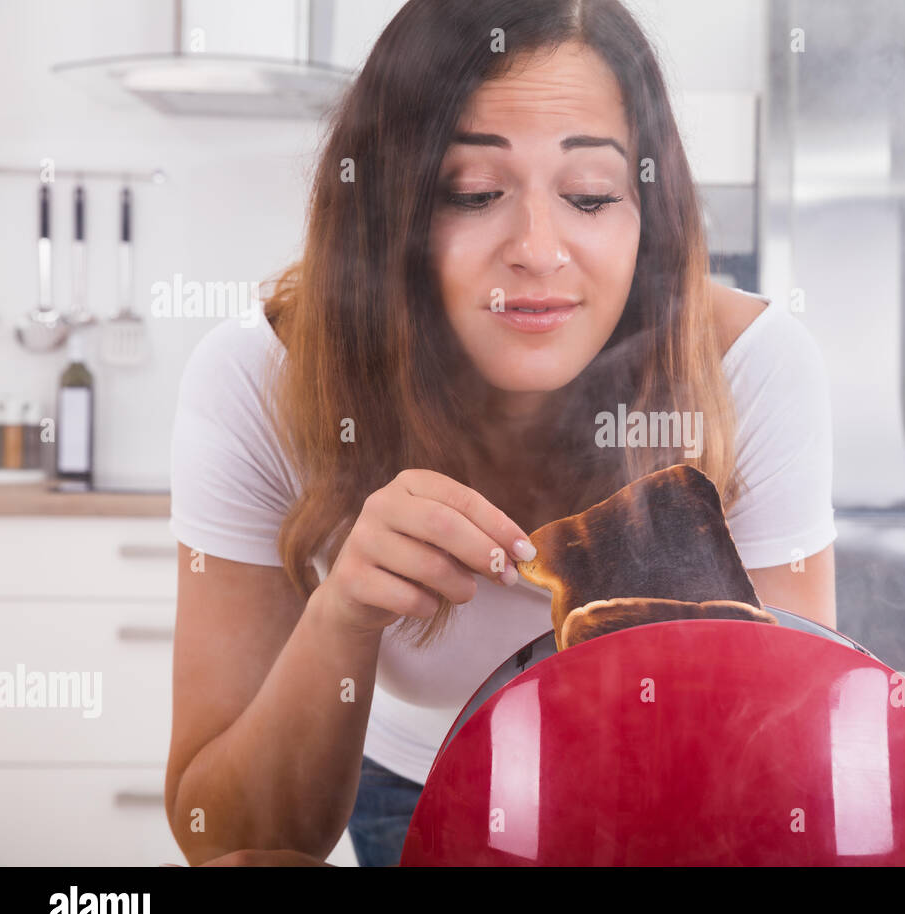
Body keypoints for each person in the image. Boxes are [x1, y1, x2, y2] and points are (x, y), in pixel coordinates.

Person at [164, 0, 836, 867]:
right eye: (474, 194)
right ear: (389, 214)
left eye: (591, 196)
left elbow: (790, 779)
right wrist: (344, 617)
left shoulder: (750, 369)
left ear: (649, 212)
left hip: (662, 814)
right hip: (399, 789)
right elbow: (225, 840)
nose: (538, 250)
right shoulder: (262, 379)